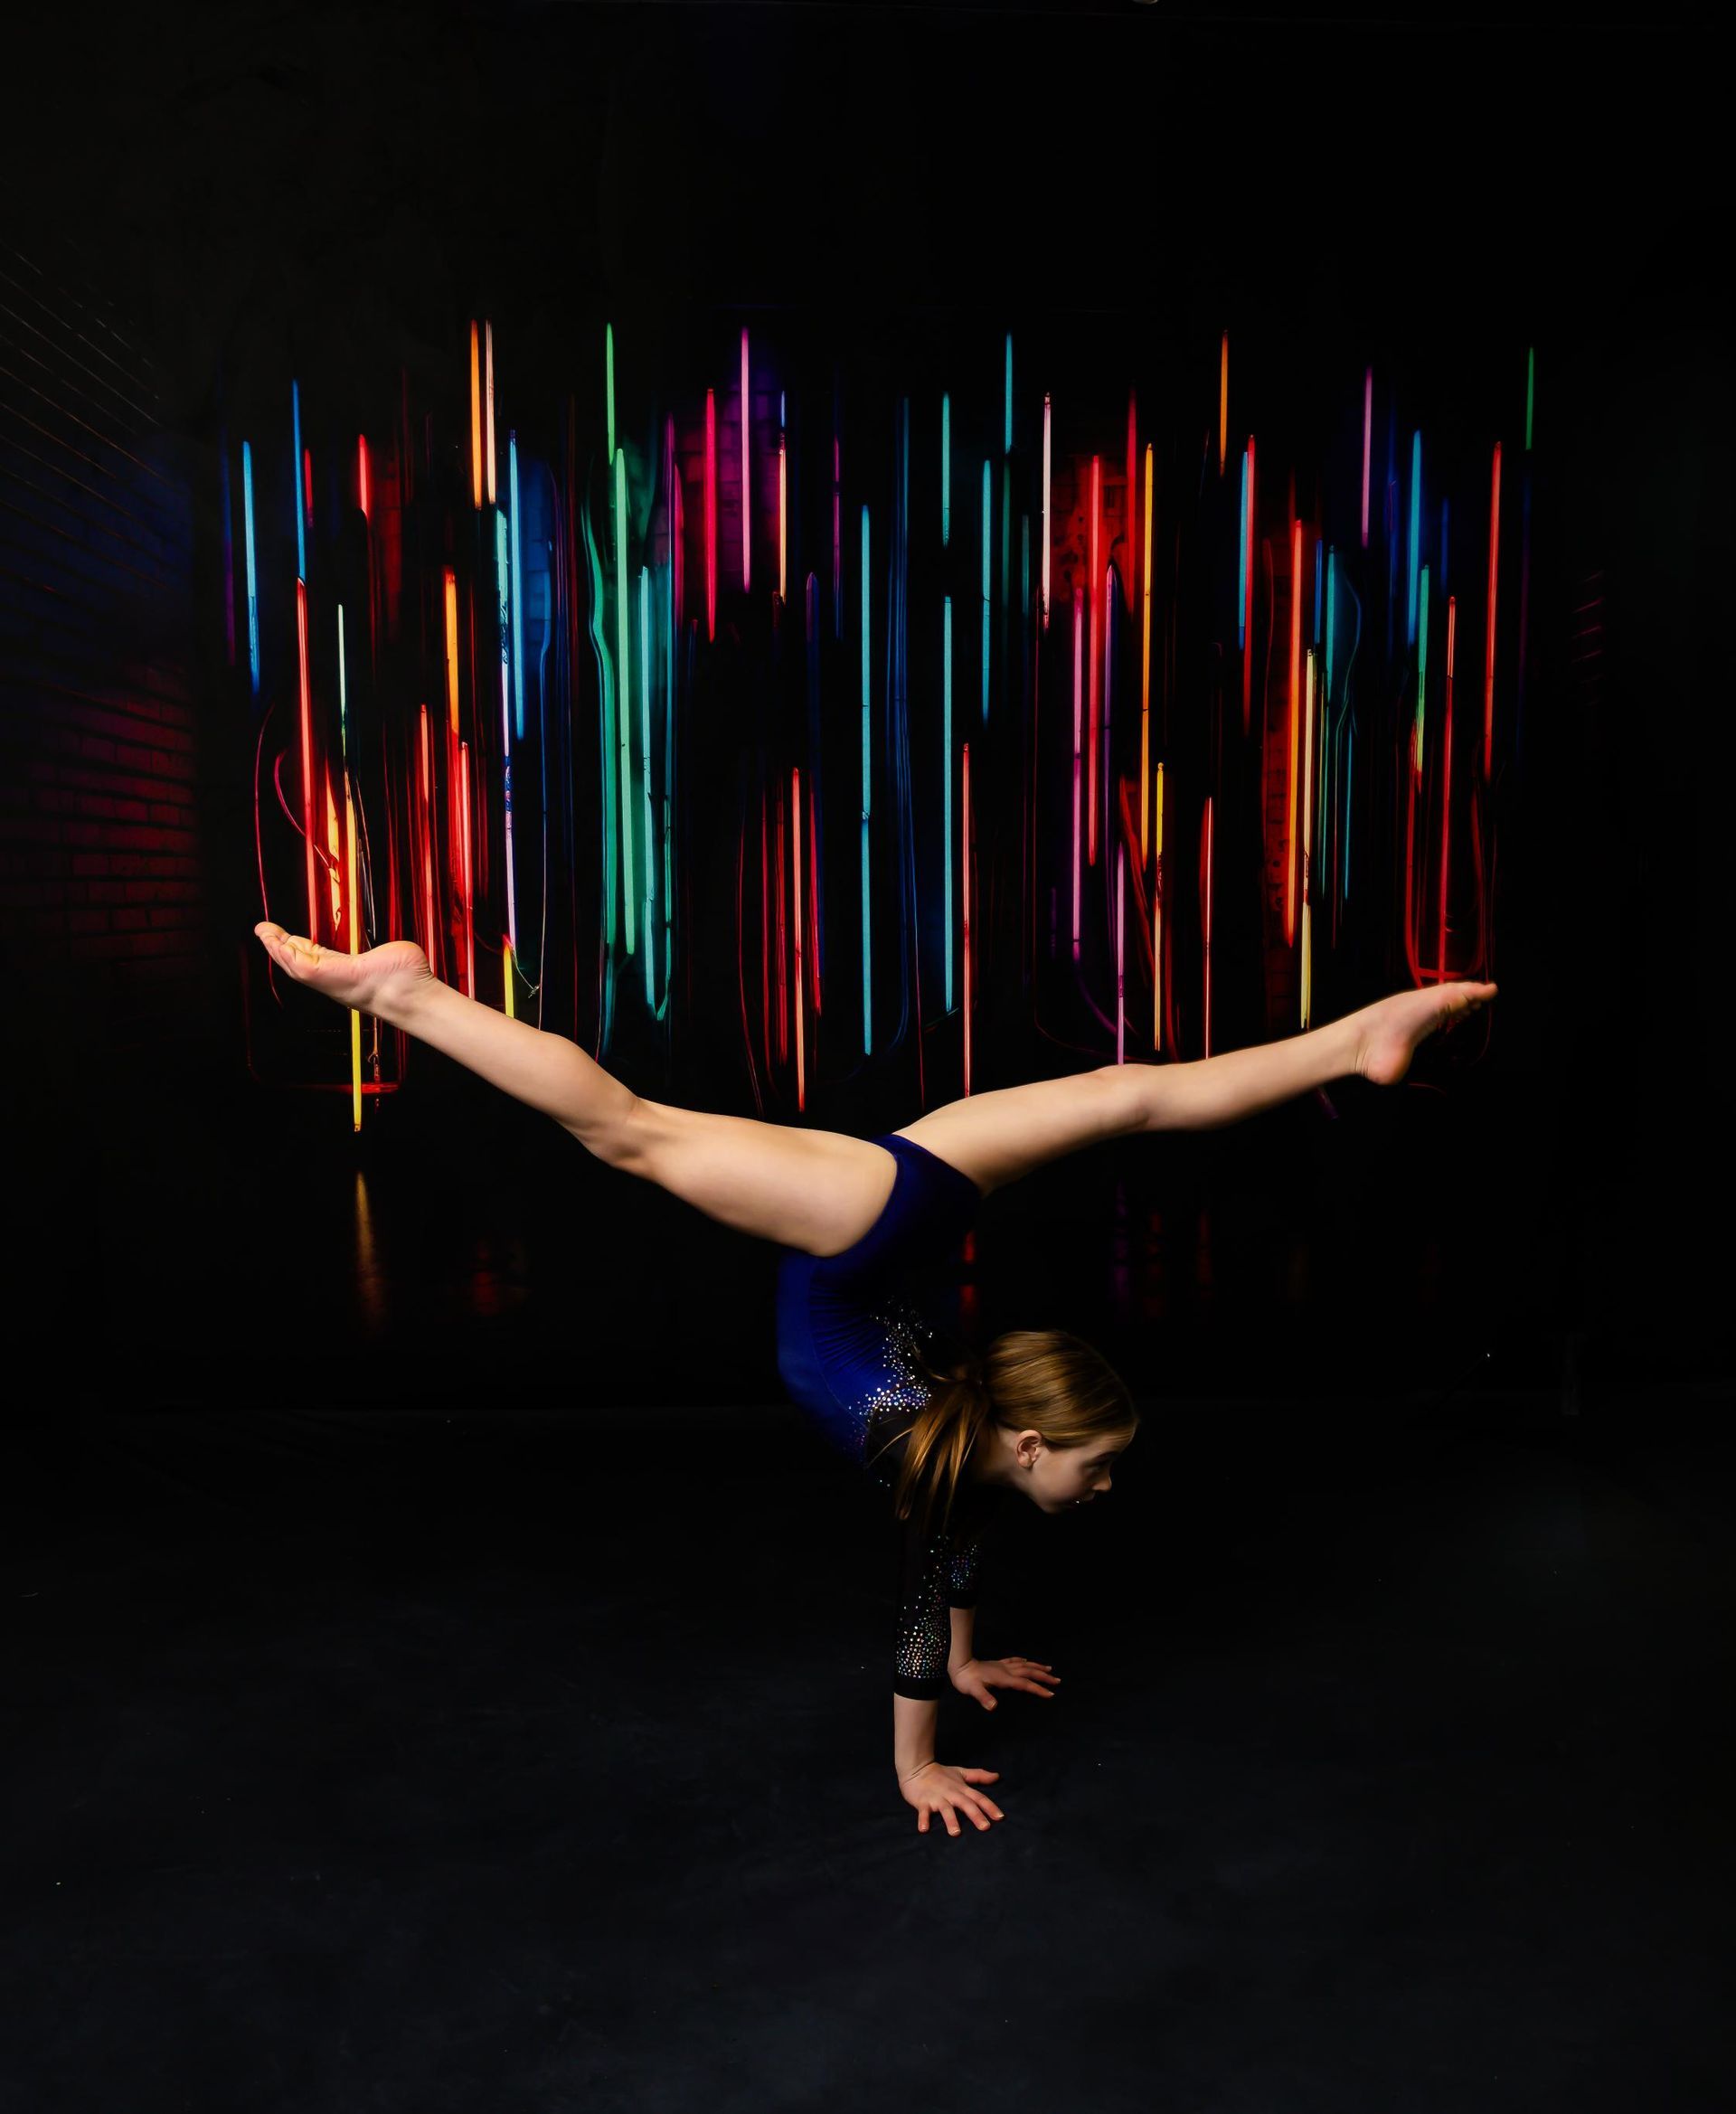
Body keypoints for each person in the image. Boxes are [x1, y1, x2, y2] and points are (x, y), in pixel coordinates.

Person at [251, 920, 1496, 1837]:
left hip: (872, 1234)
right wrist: (918, 1764)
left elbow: (945, 1570)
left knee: (1129, 1095)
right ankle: (409, 996)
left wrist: (964, 1661)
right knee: (628, 1127)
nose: (1107, 1484)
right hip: (861, 1233)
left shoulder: (958, 1450)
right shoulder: (947, 1460)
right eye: (1095, 1464)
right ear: (1023, 1444)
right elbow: (920, 1604)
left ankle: (1355, 1036)